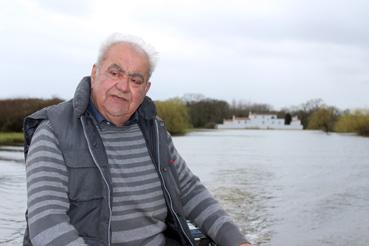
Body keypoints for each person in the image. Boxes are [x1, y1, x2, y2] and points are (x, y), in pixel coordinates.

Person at [23, 33, 252, 246]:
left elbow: (191, 193)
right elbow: (47, 222)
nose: (123, 87)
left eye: (135, 80)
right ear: (95, 73)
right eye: (115, 73)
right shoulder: (53, 131)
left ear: (146, 88)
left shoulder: (154, 131)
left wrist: (237, 241)